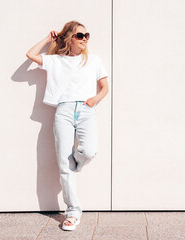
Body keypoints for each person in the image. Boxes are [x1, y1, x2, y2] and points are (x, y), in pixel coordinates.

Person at [26, 20, 109, 231]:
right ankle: (72, 213)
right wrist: (47, 40)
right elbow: (29, 54)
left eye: (87, 35)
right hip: (62, 112)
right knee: (64, 167)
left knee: (89, 151)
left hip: (86, 110)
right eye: (80, 35)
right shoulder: (56, 61)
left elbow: (105, 87)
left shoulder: (94, 61)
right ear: (70, 38)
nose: (85, 39)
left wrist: (92, 101)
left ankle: (76, 163)